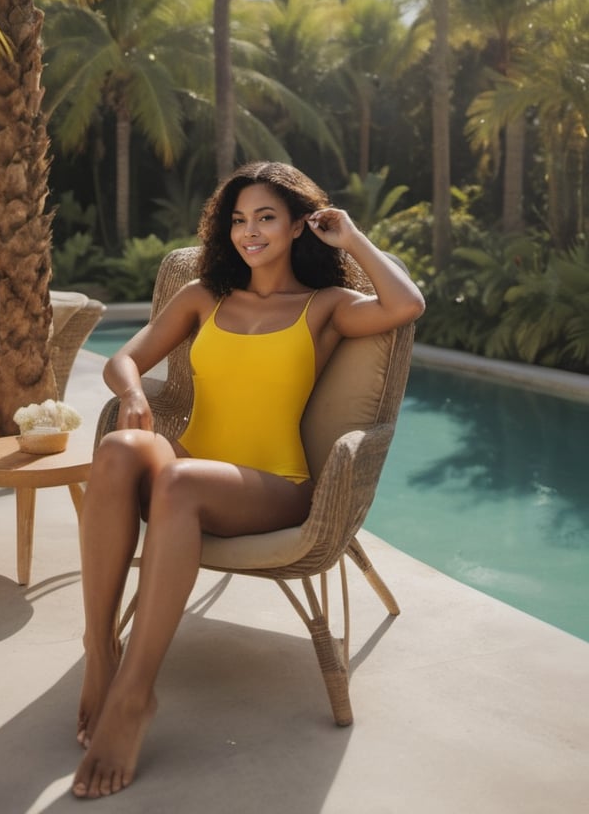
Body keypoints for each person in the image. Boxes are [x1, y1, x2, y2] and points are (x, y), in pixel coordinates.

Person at [72, 161, 425, 799]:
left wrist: (350, 237)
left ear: (297, 226)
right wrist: (130, 394)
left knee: (178, 483)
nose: (248, 232)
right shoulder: (204, 294)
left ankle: (134, 696)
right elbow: (126, 357)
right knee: (121, 449)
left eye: (265, 217)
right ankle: (101, 654)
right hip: (190, 462)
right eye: (238, 219)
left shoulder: (326, 307)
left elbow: (406, 305)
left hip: (273, 483)